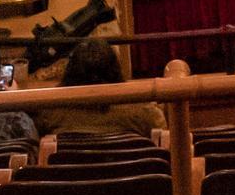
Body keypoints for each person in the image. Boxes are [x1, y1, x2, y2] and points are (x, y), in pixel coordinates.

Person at [36, 37, 164, 137]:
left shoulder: (50, 111)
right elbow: (162, 136)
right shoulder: (142, 111)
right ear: (115, 69)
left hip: (71, 171)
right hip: (133, 171)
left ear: (71, 71)